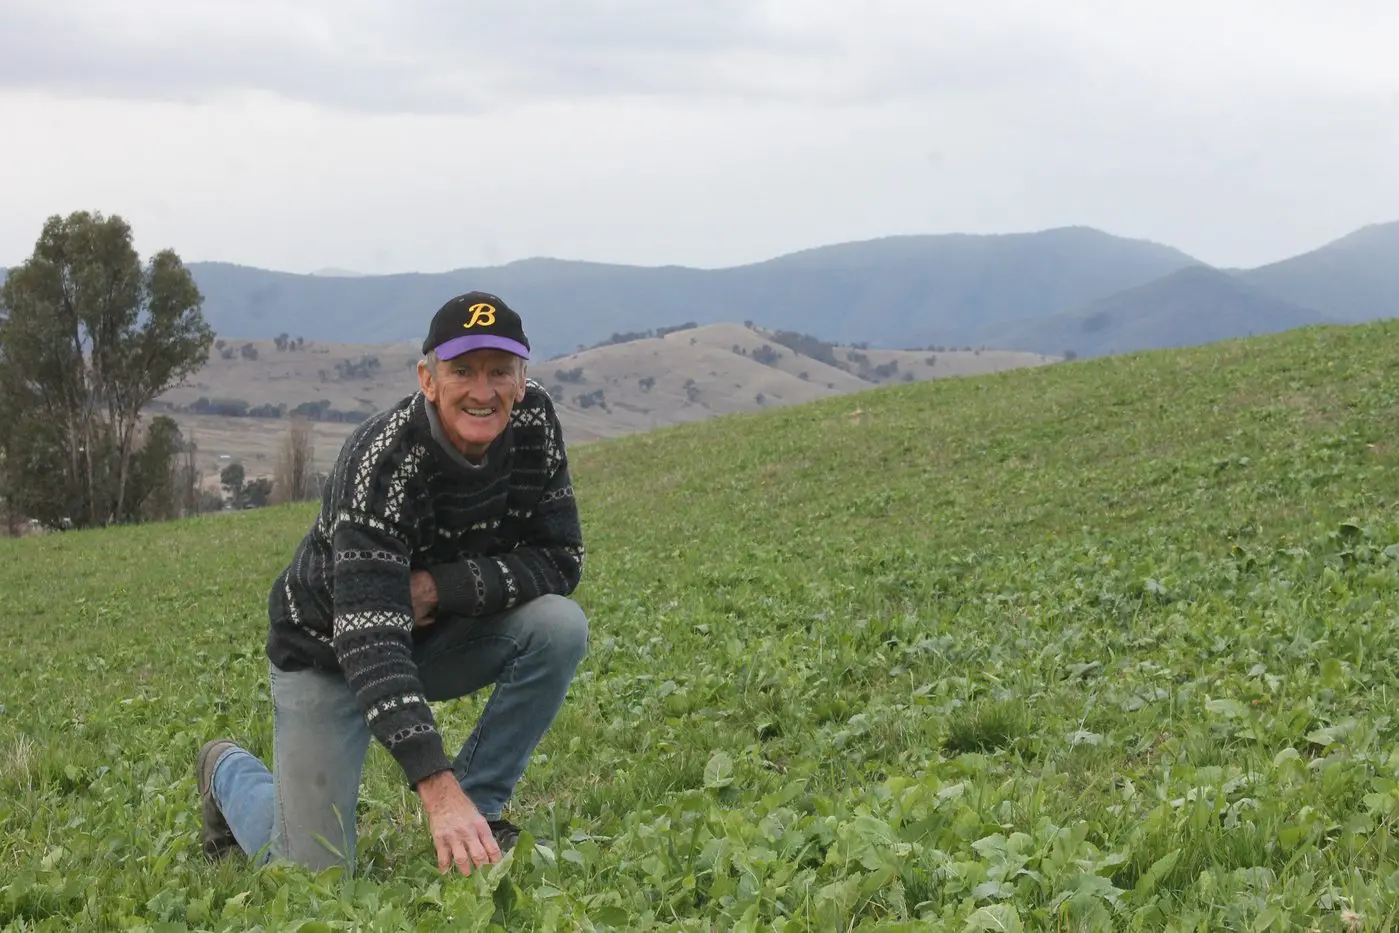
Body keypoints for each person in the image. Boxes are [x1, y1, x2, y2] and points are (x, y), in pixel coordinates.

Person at [195, 292, 588, 877]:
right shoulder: (381, 463)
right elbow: (370, 642)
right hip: (327, 652)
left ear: (522, 379)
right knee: (313, 878)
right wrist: (436, 790)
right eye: (462, 371)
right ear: (427, 378)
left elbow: (560, 559)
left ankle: (478, 815)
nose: (483, 391)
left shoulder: (533, 423)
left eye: (499, 371)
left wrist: (436, 588)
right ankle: (227, 771)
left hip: (427, 637)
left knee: (558, 626)